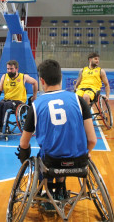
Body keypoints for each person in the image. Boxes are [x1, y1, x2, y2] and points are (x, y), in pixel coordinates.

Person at [16, 59, 97, 205]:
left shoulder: (37, 105)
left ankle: (44, 190)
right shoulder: (79, 101)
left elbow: (24, 143)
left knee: (44, 157)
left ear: (42, 81)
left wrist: (23, 158)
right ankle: (60, 188)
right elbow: (92, 140)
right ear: (61, 77)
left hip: (51, 162)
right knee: (66, 153)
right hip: (79, 161)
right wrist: (86, 152)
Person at [0, 60, 38, 133]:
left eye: (11, 69)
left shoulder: (23, 77)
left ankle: (5, 127)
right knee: (0, 104)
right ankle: (0, 126)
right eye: (8, 69)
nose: (9, 71)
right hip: (7, 100)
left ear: (16, 69)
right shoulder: (4, 77)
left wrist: (34, 96)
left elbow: (35, 82)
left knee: (7, 105)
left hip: (19, 102)